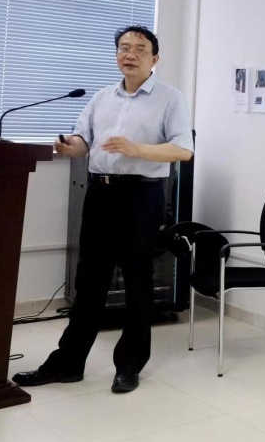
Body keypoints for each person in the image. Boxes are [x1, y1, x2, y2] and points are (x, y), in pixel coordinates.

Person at [13, 26, 194, 394]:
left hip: (141, 196)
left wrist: (138, 149)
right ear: (116, 55)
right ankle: (67, 364)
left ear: (154, 59)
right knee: (89, 283)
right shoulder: (101, 97)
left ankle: (129, 366)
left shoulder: (170, 98)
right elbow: (84, 141)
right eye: (124, 48)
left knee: (138, 283)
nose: (130, 54)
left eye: (140, 49)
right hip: (100, 194)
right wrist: (70, 146)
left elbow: (184, 150)